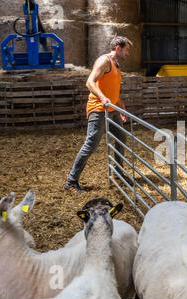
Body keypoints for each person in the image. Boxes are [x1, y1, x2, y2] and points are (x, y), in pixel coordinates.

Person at [64, 36, 132, 193]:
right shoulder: (104, 61)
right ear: (118, 48)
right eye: (126, 49)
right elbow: (90, 82)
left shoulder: (116, 64)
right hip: (99, 109)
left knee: (121, 137)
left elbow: (112, 88)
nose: (128, 52)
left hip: (112, 109)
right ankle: (71, 182)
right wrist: (103, 98)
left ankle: (118, 172)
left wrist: (121, 105)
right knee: (90, 145)